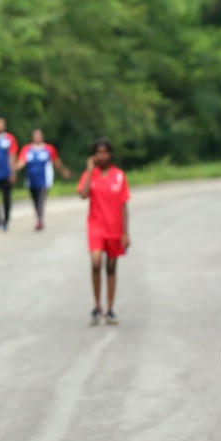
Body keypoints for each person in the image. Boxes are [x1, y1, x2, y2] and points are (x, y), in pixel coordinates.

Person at [76, 137, 130, 325]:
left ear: (110, 154)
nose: (102, 155)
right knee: (96, 262)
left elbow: (124, 205)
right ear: (94, 155)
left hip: (114, 228)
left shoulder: (119, 175)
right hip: (96, 226)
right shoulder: (89, 175)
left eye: (105, 152)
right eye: (99, 152)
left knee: (111, 267)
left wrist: (125, 232)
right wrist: (90, 171)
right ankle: (97, 305)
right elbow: (83, 194)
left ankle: (110, 309)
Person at [15, 128, 71, 231]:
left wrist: (63, 171)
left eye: (39, 136)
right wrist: (14, 168)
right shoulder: (27, 149)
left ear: (42, 137)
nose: (37, 138)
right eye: (35, 136)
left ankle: (39, 220)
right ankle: (38, 217)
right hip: (31, 180)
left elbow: (56, 161)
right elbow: (22, 161)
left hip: (44, 179)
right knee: (35, 200)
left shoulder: (49, 149)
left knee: (41, 200)